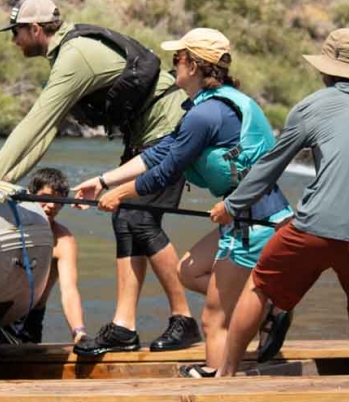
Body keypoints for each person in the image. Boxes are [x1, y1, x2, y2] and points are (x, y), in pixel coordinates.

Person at [0, 0, 200, 355]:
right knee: (125, 220)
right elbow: (47, 132)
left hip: (170, 133)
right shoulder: (66, 58)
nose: (14, 41)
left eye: (17, 32)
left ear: (36, 29)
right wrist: (7, 179)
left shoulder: (74, 58)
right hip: (144, 138)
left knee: (140, 219)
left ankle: (184, 319)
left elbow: (35, 122)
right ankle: (124, 327)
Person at [75, 28, 292, 377]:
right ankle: (264, 311)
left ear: (193, 65)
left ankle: (215, 379)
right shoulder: (208, 106)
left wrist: (120, 195)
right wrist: (101, 181)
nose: (172, 64)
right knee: (188, 270)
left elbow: (165, 172)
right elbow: (160, 152)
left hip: (253, 224)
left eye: (177, 59)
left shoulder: (206, 115)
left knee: (212, 318)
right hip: (249, 218)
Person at [213, 28, 349, 376]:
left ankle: (224, 375)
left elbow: (270, 165)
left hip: (315, 227)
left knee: (260, 286)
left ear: (329, 69)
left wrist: (231, 207)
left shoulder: (314, 105)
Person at [0, 167, 90, 345]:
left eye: (58, 201)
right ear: (31, 194)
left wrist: (79, 331)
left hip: (33, 316)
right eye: (46, 197)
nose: (52, 205)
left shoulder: (63, 240)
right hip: (5, 314)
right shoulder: (12, 223)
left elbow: (69, 290)